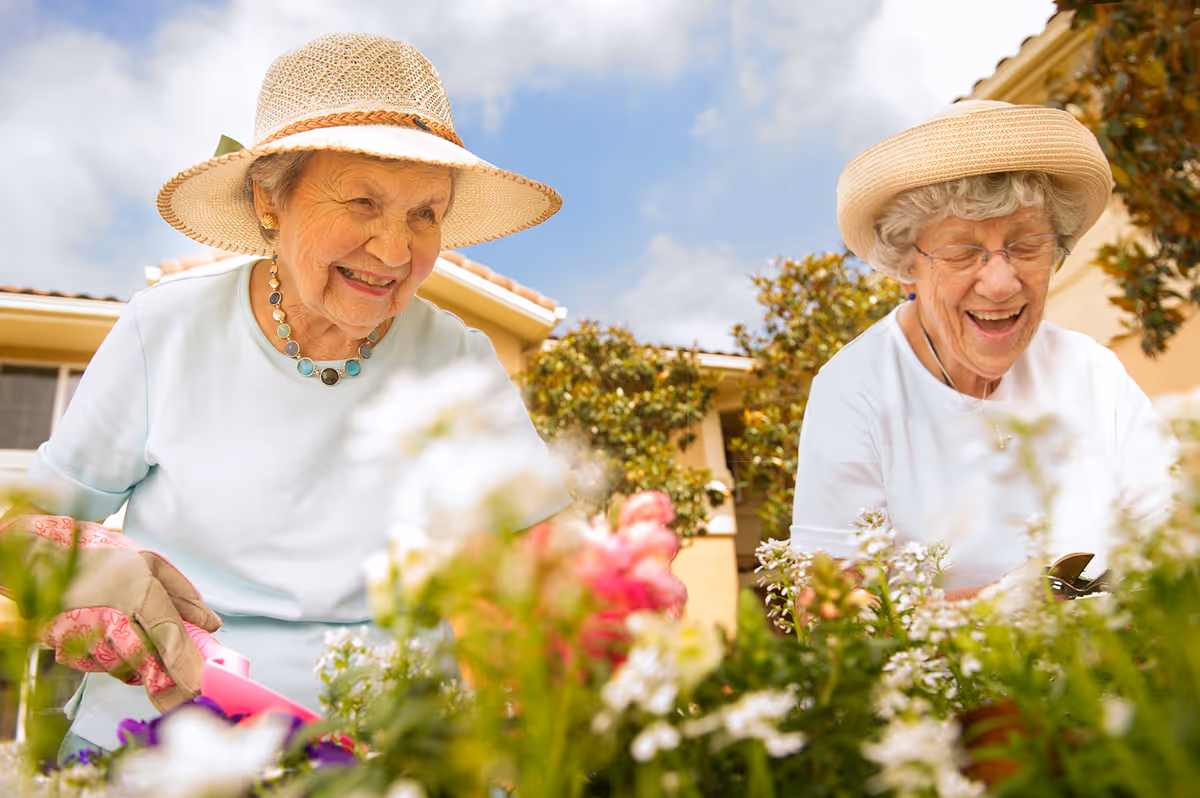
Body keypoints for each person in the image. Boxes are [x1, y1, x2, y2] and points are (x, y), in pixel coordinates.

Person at [22, 32, 570, 755]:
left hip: (391, 756)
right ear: (269, 201)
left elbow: (554, 561)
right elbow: (19, 532)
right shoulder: (166, 329)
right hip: (164, 745)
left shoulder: (458, 359)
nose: (395, 251)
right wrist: (74, 564)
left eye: (424, 213)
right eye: (363, 201)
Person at [790, 101, 1177, 596]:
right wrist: (1000, 610)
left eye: (1027, 244)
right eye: (961, 251)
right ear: (910, 263)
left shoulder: (1092, 370)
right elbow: (825, 603)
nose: (999, 283)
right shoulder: (854, 389)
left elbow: (1173, 530)